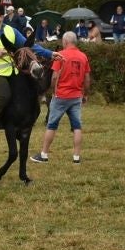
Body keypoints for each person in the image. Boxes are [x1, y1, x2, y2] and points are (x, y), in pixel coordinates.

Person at [0, 3, 55, 145]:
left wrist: (51, 53)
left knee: (26, 92)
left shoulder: (11, 31)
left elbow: (29, 46)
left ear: (1, 17)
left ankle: (20, 123)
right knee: (4, 95)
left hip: (11, 72)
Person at [31, 31, 91, 164]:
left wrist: (53, 91)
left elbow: (54, 77)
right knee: (77, 127)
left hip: (61, 96)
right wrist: (85, 94)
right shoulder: (83, 57)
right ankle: (76, 157)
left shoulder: (61, 56)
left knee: (51, 125)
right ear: (75, 42)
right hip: (76, 96)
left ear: (64, 42)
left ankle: (44, 154)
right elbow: (87, 79)